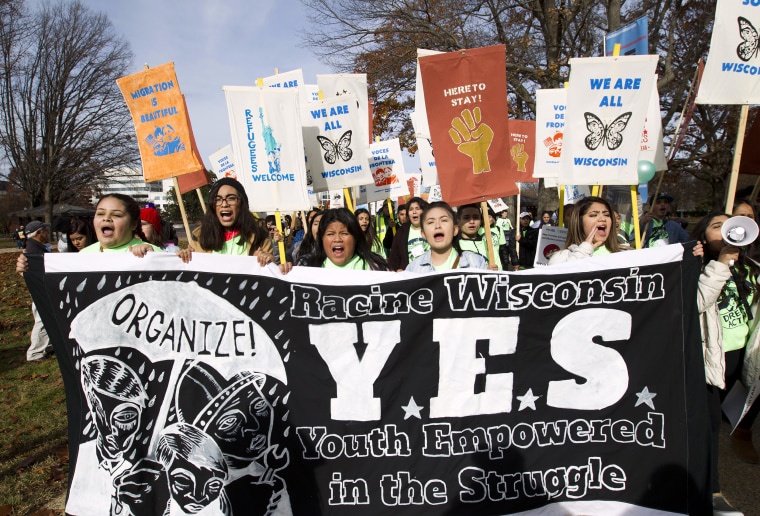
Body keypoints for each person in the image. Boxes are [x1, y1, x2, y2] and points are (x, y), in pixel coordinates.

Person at [692, 212, 760, 513]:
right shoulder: (695, 267)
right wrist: (719, 264)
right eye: (717, 226)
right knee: (707, 430)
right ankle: (712, 490)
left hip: (740, 360)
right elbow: (696, 304)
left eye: (731, 224)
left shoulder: (751, 269)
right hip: (710, 360)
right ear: (703, 237)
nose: (727, 229)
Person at [182, 178, 272, 262]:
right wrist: (183, 258)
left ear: (242, 204)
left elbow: (269, 275)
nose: (224, 204)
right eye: (217, 199)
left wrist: (270, 261)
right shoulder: (199, 238)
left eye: (231, 198)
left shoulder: (260, 238)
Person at [293, 208, 390, 271]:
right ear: (321, 238)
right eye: (330, 234)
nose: (337, 239)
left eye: (344, 233)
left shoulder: (377, 266)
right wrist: (283, 272)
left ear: (355, 237)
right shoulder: (306, 266)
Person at [407, 202, 488, 272]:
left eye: (444, 220)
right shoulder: (413, 269)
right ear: (423, 234)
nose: (437, 226)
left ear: (455, 230)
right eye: (431, 222)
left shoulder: (476, 262)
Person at [548, 196, 623, 264]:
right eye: (593, 215)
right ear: (579, 222)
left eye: (606, 215)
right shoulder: (562, 257)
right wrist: (584, 250)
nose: (603, 219)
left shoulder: (625, 252)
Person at [21, 220, 52, 362]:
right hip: (41, 291)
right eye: (45, 231)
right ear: (38, 233)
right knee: (42, 321)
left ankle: (47, 346)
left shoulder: (36, 247)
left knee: (47, 320)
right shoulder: (35, 250)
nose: (47, 233)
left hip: (42, 290)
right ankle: (35, 353)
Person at [455, 204, 501, 271]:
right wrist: (484, 271)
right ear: (458, 221)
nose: (472, 221)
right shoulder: (453, 247)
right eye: (466, 218)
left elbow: (500, 272)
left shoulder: (489, 245)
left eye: (476, 217)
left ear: (481, 220)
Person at [389, 197, 429, 271]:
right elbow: (393, 258)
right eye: (411, 209)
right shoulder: (401, 232)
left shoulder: (431, 228)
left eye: (417, 209)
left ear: (424, 211)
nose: (414, 212)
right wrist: (397, 270)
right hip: (409, 277)